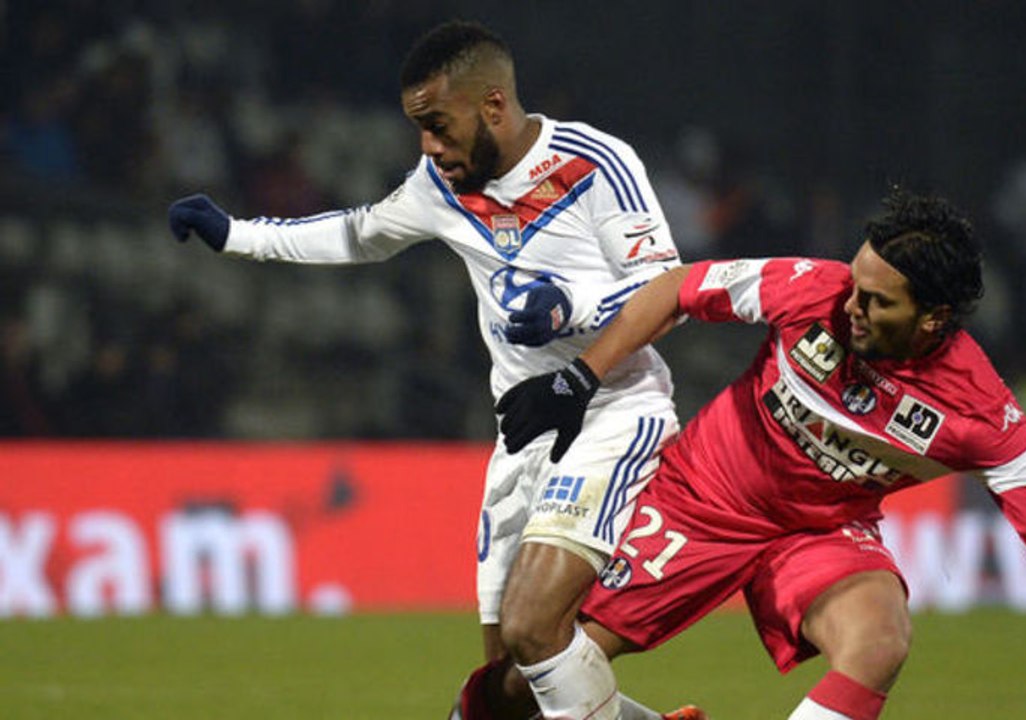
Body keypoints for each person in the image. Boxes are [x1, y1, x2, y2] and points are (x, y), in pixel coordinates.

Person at [167, 20, 700, 720]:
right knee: (506, 692)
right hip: (522, 436)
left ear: (493, 106)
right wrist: (237, 235)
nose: (428, 146)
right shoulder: (439, 184)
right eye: (419, 128)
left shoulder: (595, 163)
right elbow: (358, 233)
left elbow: (670, 292)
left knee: (534, 635)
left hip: (609, 415)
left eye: (439, 126)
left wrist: (569, 307)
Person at [499, 188, 1026, 720]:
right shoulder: (811, 289)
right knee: (533, 676)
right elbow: (676, 288)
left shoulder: (980, 415)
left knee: (879, 642)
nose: (851, 306)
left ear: (933, 319)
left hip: (817, 530)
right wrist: (579, 379)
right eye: (856, 285)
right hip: (702, 496)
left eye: (877, 301)